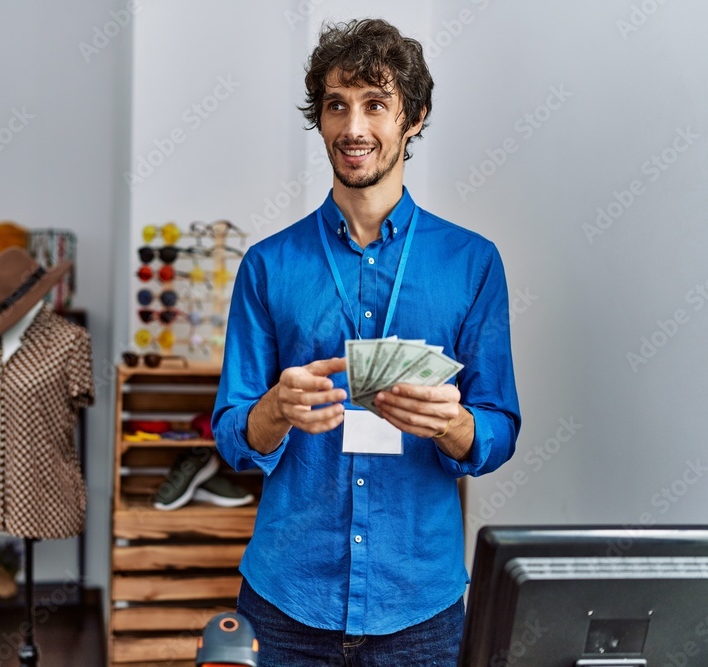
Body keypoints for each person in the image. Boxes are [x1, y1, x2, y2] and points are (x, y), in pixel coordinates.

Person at [212, 18, 521, 666]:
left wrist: (454, 424)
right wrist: (274, 409)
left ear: (414, 117)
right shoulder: (268, 266)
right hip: (287, 598)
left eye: (375, 103)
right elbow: (234, 433)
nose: (353, 127)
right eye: (336, 105)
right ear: (320, 120)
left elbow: (498, 428)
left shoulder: (472, 264)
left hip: (421, 611)